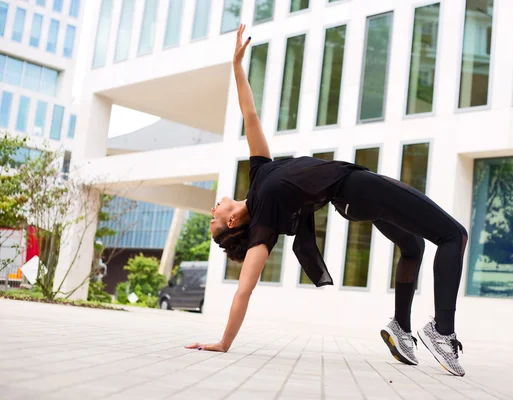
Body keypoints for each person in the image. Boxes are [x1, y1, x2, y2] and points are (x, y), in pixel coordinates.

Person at [185, 24, 469, 377]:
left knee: (413, 248)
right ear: (230, 222)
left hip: (354, 199)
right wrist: (224, 342)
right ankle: (442, 332)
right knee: (453, 235)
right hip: (356, 190)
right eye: (213, 217)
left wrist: (237, 67)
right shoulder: (263, 223)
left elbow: (250, 116)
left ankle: (401, 327)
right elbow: (244, 289)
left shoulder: (258, 174)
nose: (213, 209)